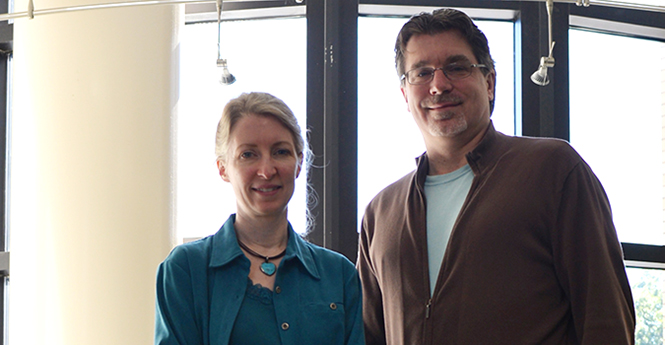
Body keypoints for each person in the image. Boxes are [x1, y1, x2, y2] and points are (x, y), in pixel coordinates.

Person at [356, 8, 635, 345]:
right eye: (422, 73)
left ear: (489, 82)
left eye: (457, 68)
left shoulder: (553, 170)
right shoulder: (380, 214)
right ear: (405, 95)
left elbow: (605, 317)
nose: (439, 85)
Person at [155, 92, 364, 345]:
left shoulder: (340, 275)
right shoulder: (185, 271)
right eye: (248, 155)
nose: (266, 171)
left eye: (280, 152)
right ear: (223, 168)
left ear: (299, 163)